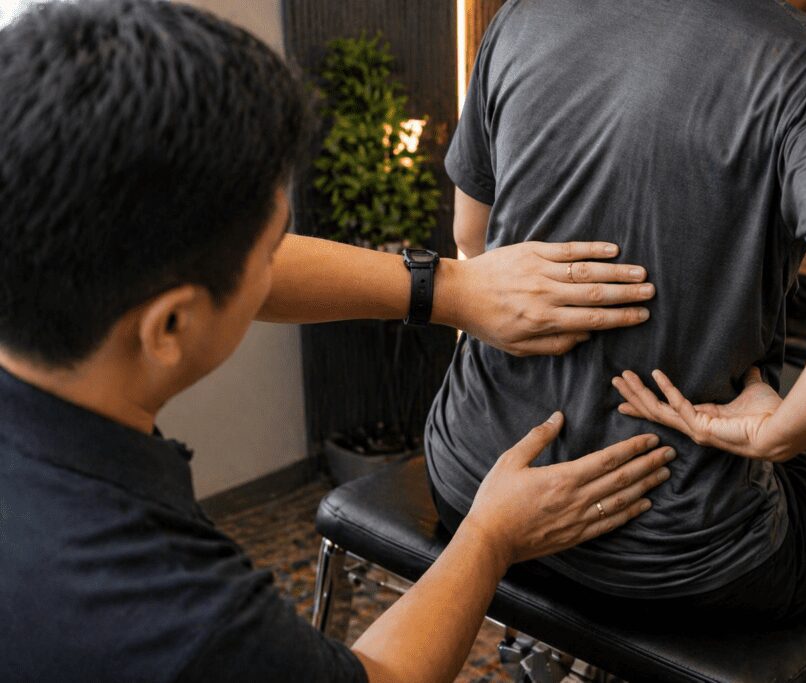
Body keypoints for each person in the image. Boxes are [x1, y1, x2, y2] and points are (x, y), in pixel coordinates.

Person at [0, 2, 677, 682]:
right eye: (270, 249)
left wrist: (450, 289)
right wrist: (491, 535)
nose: (278, 260)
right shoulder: (178, 621)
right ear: (170, 326)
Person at [425, 0, 806, 676]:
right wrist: (777, 433)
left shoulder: (527, 11)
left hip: (470, 480)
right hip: (670, 559)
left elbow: (471, 238)